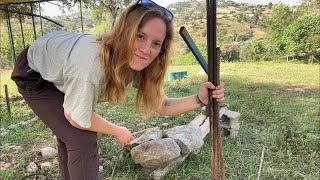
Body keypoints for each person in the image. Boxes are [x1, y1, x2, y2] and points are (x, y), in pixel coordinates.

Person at [11, 0, 225, 179]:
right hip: (34, 73)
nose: (145, 50)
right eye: (140, 36)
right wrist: (117, 130)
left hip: (60, 63)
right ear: (125, 32)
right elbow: (76, 118)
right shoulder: (91, 65)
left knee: (69, 135)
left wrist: (200, 98)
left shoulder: (138, 63)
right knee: (80, 137)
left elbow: (162, 104)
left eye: (156, 43)